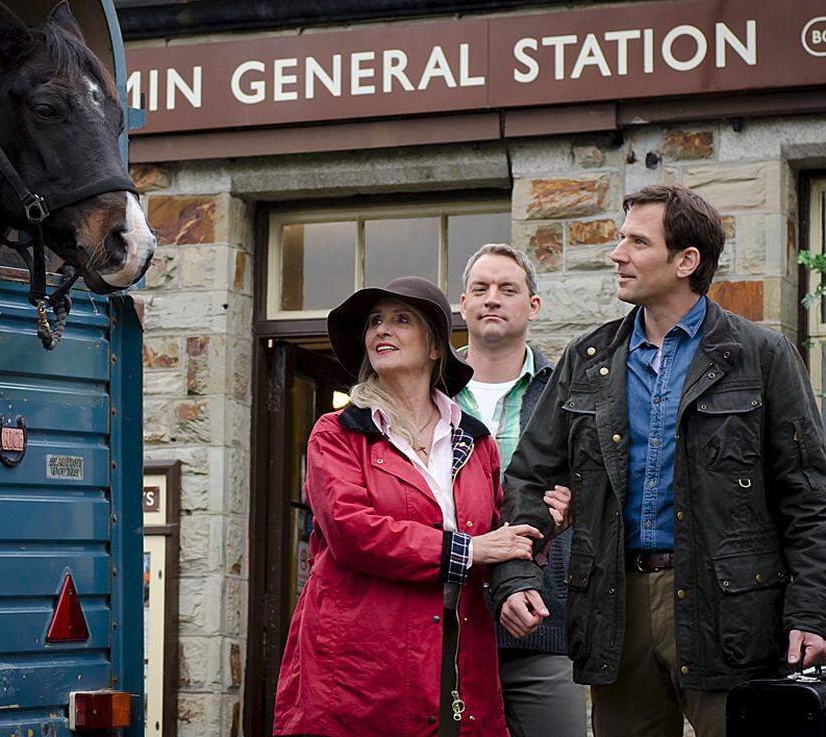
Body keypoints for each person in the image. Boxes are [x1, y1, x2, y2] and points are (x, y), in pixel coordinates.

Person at [490, 184, 826, 737]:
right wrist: (515, 574)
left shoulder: (761, 356)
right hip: (614, 608)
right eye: (621, 239)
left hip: (733, 612)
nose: (617, 253)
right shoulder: (587, 358)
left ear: (685, 261)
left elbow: (808, 498)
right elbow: (526, 478)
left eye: (636, 242)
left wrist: (810, 610)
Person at [272, 276, 544, 737]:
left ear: (437, 347)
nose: (382, 330)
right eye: (375, 322)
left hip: (458, 653)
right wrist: (468, 551)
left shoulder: (475, 441)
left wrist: (516, 584)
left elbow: (499, 534)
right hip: (360, 665)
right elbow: (352, 531)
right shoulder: (337, 433)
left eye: (401, 320)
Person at [456, 244, 587, 737]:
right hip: (446, 621)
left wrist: (581, 504)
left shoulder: (570, 392)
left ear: (532, 305)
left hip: (544, 622)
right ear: (463, 303)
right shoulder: (428, 395)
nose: (493, 299)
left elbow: (608, 483)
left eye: (508, 289)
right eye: (481, 289)